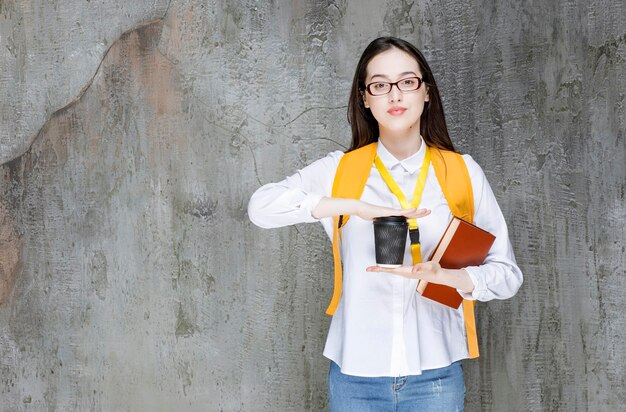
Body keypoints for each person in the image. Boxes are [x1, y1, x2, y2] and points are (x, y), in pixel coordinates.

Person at [247, 37, 523, 411]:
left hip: (436, 377)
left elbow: (507, 274)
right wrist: (350, 206)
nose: (395, 95)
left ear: (426, 91)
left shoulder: (462, 172)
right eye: (380, 85)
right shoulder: (340, 171)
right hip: (354, 377)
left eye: (407, 82)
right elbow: (260, 208)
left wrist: (454, 279)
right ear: (365, 98)